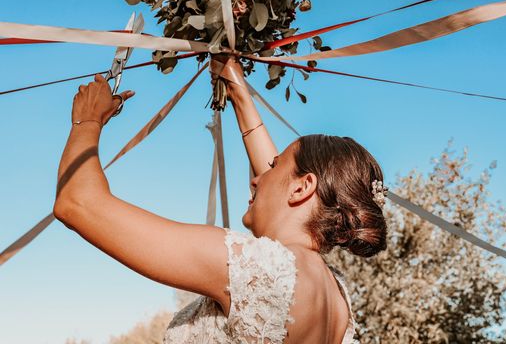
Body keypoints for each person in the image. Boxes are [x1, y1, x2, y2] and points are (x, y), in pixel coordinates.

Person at [54, 56, 388, 343]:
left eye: (273, 167)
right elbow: (282, 198)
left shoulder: (261, 266)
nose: (257, 178)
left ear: (302, 188)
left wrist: (87, 120)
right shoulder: (335, 296)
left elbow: (78, 202)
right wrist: (238, 90)